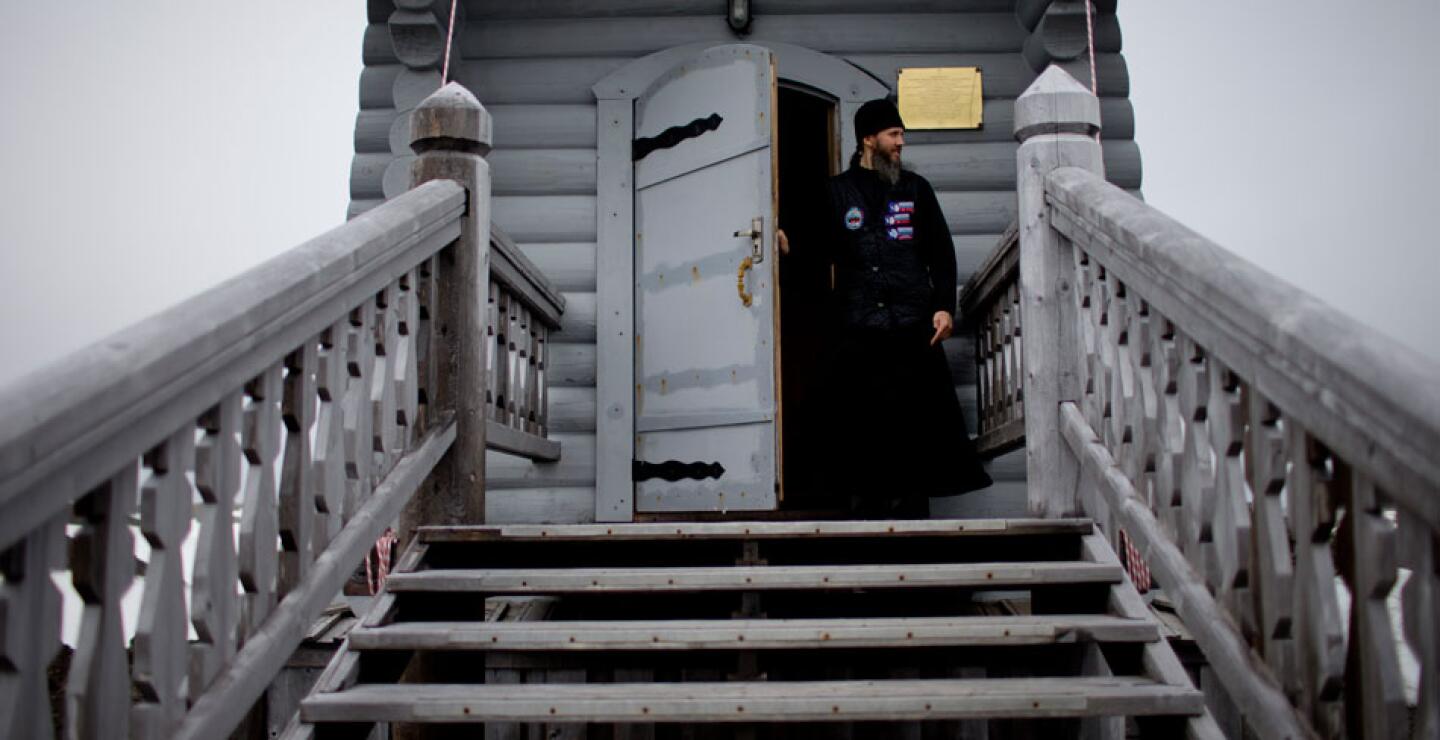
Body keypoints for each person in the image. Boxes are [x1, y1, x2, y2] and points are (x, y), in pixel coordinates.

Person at [782, 98, 991, 518]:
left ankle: (913, 521)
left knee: (916, 430)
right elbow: (813, 247)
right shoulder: (835, 192)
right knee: (861, 430)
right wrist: (784, 240)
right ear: (868, 139)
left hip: (914, 328)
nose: (901, 143)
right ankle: (863, 526)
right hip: (859, 329)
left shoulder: (916, 189)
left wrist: (943, 307)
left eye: (901, 135)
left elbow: (941, 254)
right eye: (894, 135)